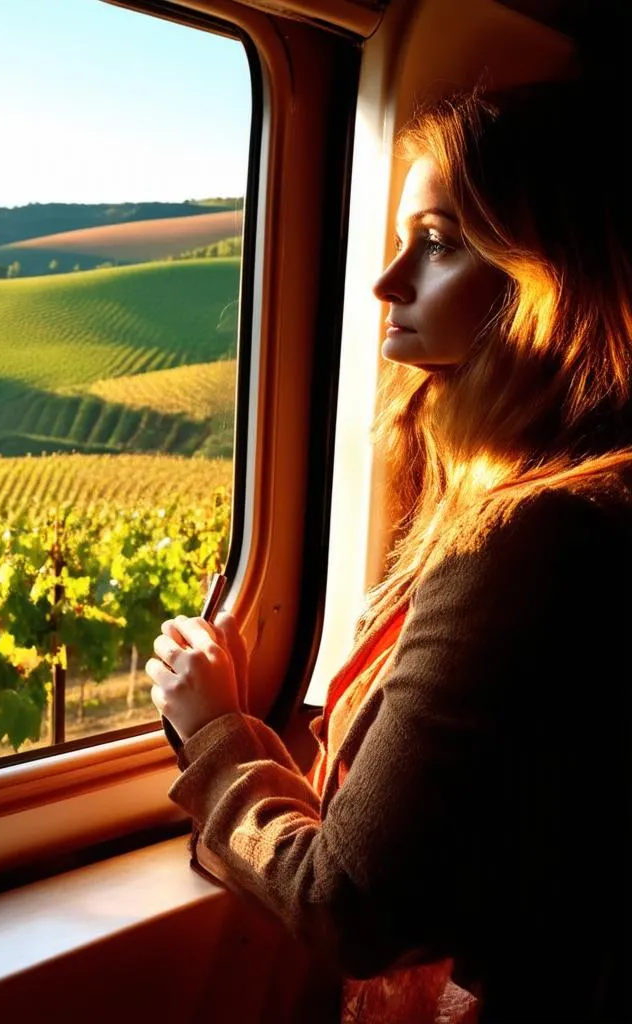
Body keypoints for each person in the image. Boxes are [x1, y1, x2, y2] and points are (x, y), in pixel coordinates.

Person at [146, 79, 631, 1024]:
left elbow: (351, 906)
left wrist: (214, 734)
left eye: (441, 242)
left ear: (551, 274)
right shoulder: (558, 499)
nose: (385, 282)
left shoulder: (537, 538)